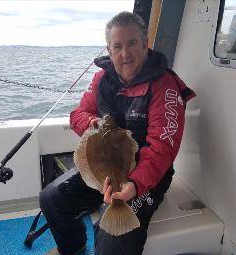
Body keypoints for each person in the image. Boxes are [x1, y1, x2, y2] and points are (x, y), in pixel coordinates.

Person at [39, 11, 196, 255]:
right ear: (109, 51)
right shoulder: (102, 79)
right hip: (103, 170)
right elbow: (77, 114)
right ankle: (73, 248)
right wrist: (94, 124)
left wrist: (134, 185)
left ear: (145, 45)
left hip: (145, 177)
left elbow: (161, 149)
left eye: (132, 43)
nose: (125, 54)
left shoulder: (164, 86)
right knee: (52, 198)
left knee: (112, 233)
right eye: (117, 46)